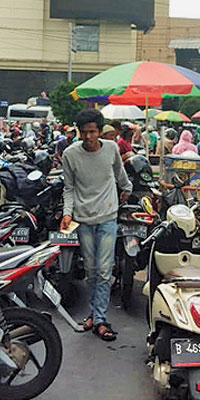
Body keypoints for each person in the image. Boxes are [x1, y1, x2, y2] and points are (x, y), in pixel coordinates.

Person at [61, 109, 132, 341]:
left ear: (100, 131)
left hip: (108, 216)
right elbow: (69, 188)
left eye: (92, 132)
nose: (88, 137)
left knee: (104, 270)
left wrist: (127, 189)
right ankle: (95, 314)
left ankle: (100, 318)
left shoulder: (111, 149)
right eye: (84, 132)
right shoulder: (70, 154)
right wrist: (67, 213)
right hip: (83, 219)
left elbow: (120, 174)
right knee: (91, 271)